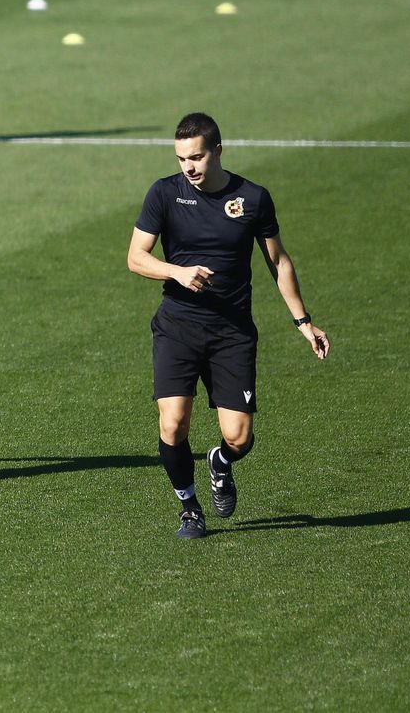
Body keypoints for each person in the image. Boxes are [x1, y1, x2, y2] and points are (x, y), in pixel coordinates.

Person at [127, 112, 330, 540]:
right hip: (178, 327)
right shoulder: (164, 194)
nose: (189, 167)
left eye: (197, 157)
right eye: (182, 158)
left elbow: (278, 260)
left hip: (231, 333)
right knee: (172, 424)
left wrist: (303, 321)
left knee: (239, 437)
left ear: (217, 150)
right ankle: (189, 509)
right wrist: (175, 272)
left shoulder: (252, 198)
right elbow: (135, 257)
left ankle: (220, 462)